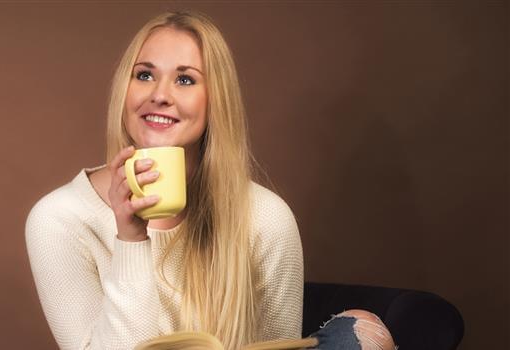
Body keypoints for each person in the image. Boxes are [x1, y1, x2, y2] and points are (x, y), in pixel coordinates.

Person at [25, 10, 396, 350]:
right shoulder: (60, 219)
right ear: (125, 90)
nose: (159, 95)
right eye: (144, 75)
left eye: (185, 79)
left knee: (359, 334)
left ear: (216, 100)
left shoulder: (265, 218)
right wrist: (131, 239)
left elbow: (276, 345)